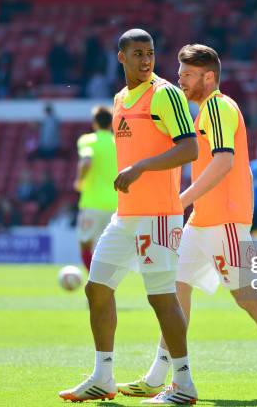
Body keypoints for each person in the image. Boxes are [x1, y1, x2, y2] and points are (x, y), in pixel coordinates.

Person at [117, 44, 257, 402]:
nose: (180, 79)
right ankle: (159, 376)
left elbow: (224, 162)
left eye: (187, 74)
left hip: (225, 220)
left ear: (209, 77)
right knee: (174, 290)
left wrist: (181, 200)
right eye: (179, 73)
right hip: (204, 220)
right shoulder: (204, 110)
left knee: (247, 296)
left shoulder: (219, 107)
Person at [58, 29, 199, 404]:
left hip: (158, 216)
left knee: (161, 298)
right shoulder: (120, 98)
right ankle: (103, 378)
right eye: (137, 53)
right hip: (126, 215)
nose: (146, 60)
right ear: (121, 57)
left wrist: (141, 167)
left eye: (150, 53)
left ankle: (183, 384)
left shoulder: (166, 93)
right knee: (97, 287)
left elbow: (190, 148)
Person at [74, 105, 118, 272]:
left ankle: (95, 283)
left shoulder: (87, 140)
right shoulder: (118, 143)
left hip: (92, 203)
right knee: (107, 248)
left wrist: (79, 180)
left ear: (95, 123)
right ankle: (105, 284)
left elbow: (86, 161)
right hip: (116, 204)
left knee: (85, 243)